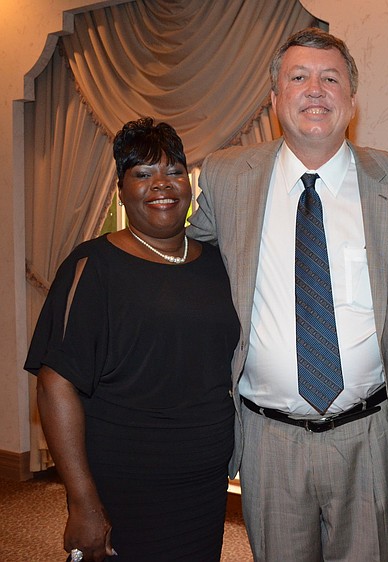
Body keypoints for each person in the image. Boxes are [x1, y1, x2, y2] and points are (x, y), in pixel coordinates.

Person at [187, 27, 388, 562]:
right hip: (268, 438)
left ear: (351, 98)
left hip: (366, 436)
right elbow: (182, 266)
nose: (315, 90)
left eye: (330, 78)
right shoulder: (227, 178)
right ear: (275, 99)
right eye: (298, 78)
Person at [25, 118, 239, 562]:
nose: (161, 184)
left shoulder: (218, 263)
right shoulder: (93, 266)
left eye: (174, 171)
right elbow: (54, 383)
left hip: (203, 482)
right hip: (126, 481)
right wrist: (82, 501)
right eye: (142, 174)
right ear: (121, 190)